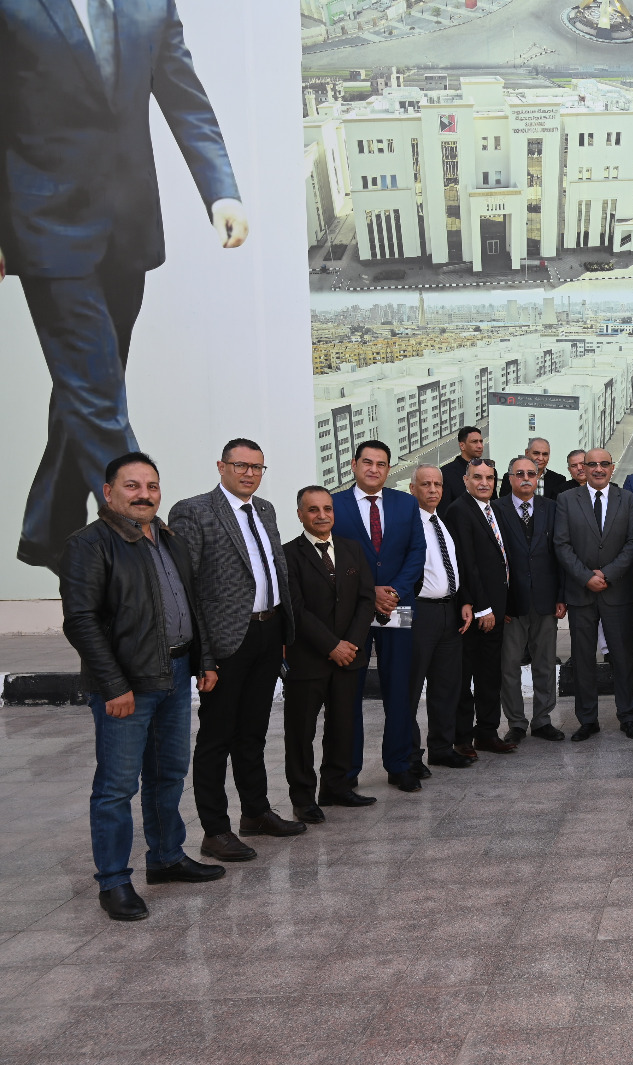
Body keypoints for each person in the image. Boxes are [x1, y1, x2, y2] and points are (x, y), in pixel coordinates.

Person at [1, 1, 248, 573]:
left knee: (89, 385)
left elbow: (185, 98)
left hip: (128, 230)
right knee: (98, 396)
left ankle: (47, 531)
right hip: (45, 229)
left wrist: (221, 192)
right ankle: (143, 552)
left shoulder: (150, 3)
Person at [61, 451, 224, 921]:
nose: (144, 494)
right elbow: (81, 621)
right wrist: (114, 685)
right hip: (126, 685)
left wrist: (203, 660)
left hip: (175, 673)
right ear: (108, 492)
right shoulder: (89, 544)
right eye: (132, 486)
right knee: (116, 787)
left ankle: (167, 857)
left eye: (151, 486)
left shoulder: (168, 538)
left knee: (168, 774)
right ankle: (113, 882)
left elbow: (191, 605)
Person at [169, 439, 301, 861]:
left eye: (257, 467)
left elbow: (273, 571)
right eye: (241, 465)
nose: (249, 473)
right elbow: (188, 588)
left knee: (253, 732)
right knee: (216, 737)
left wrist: (283, 632)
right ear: (221, 466)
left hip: (267, 633)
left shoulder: (265, 509)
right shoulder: (194, 511)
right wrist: (203, 656)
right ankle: (214, 830)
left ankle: (256, 813)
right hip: (226, 641)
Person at [331, 441, 428, 788]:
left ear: (389, 469)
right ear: (354, 465)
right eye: (367, 462)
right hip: (351, 612)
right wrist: (368, 592)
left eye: (381, 464)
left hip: (397, 607)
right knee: (349, 692)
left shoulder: (406, 503)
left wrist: (395, 591)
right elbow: (330, 555)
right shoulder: (334, 504)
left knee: (399, 688)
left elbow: (417, 551)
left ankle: (399, 764)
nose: (374, 469)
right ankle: (347, 771)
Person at [281, 486, 376, 824]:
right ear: (300, 514)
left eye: (327, 509)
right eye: (313, 510)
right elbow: (296, 609)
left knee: (342, 726)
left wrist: (350, 644)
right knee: (301, 732)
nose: (322, 515)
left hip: (349, 657)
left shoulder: (352, 549)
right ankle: (303, 798)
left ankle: (336, 787)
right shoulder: (287, 555)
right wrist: (331, 646)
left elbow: (366, 599)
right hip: (309, 659)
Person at [554, 448, 633, 740]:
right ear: (583, 468)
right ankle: (587, 720)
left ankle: (627, 716)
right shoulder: (567, 499)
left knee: (623, 658)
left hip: (616, 591)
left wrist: (606, 574)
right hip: (581, 593)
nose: (597, 469)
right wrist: (586, 577)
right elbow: (561, 544)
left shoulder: (628, 499)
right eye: (591, 464)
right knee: (583, 659)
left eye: (603, 464)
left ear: (612, 467)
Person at [444, 457, 514, 765]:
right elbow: (466, 564)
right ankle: (462, 738)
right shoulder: (459, 511)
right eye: (477, 477)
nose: (484, 483)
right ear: (466, 480)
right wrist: (483, 607)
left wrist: (503, 606)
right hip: (474, 612)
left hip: (496, 610)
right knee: (465, 678)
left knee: (489, 676)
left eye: (489, 478)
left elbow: (502, 560)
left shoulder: (493, 508)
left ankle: (487, 732)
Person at [407, 465, 475, 770]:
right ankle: (410, 756)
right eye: (426, 484)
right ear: (413, 489)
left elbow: (453, 568)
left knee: (446, 687)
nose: (433, 490)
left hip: (449, 612)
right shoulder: (407, 525)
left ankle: (442, 748)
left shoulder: (441, 522)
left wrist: (463, 601)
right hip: (418, 613)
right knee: (410, 689)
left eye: (437, 484)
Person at [496, 456, 567, 746]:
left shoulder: (552, 507)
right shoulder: (496, 509)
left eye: (531, 473)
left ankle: (542, 720)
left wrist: (561, 596)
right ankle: (515, 723)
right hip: (511, 604)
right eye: (520, 473)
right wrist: (499, 603)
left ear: (537, 478)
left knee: (545, 664)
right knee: (509, 666)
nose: (526, 478)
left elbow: (560, 553)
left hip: (546, 600)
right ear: (510, 478)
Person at [498, 437, 569, 499]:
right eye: (536, 453)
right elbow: (504, 504)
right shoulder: (511, 477)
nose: (540, 458)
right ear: (527, 453)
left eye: (545, 454)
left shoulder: (559, 480)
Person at [440, 426, 485, 509]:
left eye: (481, 441)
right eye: (474, 442)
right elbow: (444, 509)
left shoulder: (489, 471)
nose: (480, 446)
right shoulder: (446, 473)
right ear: (462, 446)